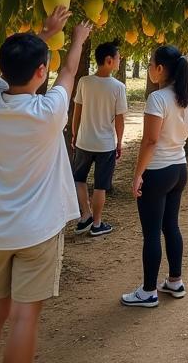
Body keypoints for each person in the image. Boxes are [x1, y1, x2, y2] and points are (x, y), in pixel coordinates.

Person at [0, 6, 93, 363]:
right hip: (37, 231)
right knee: (24, 316)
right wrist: (77, 39)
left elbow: (12, 70)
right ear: (41, 72)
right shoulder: (48, 112)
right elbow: (69, 71)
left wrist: (40, 34)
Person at [122, 46, 188, 307]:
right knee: (171, 226)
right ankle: (175, 281)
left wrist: (137, 174)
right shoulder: (187, 98)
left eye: (150, 63)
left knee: (152, 233)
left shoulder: (158, 99)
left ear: (160, 68)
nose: (149, 67)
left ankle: (148, 291)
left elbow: (151, 141)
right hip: (179, 169)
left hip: (158, 171)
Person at [72, 40, 128, 237]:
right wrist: (119, 141)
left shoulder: (84, 82)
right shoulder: (118, 87)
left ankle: (85, 215)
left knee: (78, 179)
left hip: (84, 141)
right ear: (109, 60)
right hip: (105, 144)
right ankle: (96, 223)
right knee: (100, 185)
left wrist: (74, 134)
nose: (120, 61)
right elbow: (120, 119)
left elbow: (77, 111)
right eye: (119, 58)